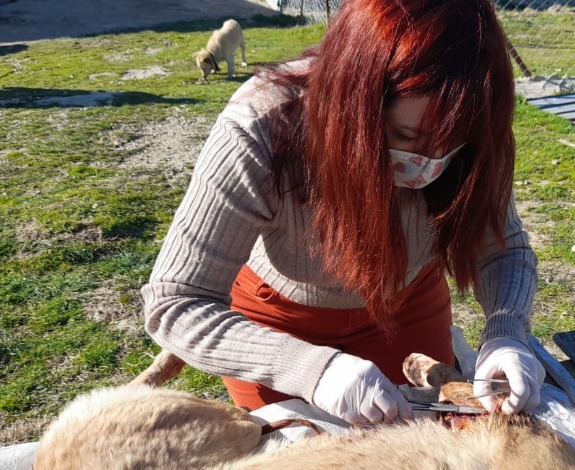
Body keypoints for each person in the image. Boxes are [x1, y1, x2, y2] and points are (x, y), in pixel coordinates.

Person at [141, 0, 545, 427]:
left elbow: (503, 250)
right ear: (354, 101)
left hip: (405, 304)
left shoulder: (478, 128)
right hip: (277, 323)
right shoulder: (261, 127)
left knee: (431, 433)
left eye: (454, 142)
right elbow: (176, 302)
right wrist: (313, 371)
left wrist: (506, 333)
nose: (432, 163)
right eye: (405, 135)